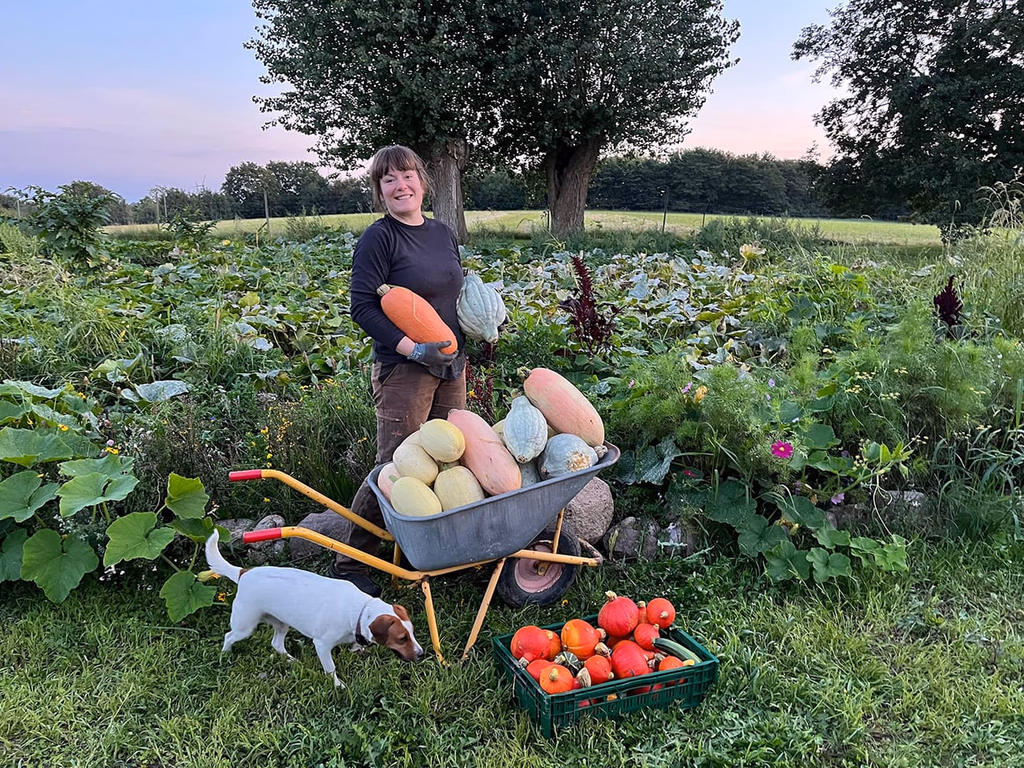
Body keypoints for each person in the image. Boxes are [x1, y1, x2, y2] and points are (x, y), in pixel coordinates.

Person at [329, 145, 467, 596]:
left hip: (451, 363)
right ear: (380, 191)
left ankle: (428, 550)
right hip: (404, 368)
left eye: (407, 176)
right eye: (389, 180)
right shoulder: (379, 237)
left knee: (449, 457)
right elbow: (363, 307)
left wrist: (472, 334)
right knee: (395, 465)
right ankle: (352, 561)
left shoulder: (442, 233)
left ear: (423, 183)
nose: (400, 185)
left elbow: (451, 298)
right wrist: (412, 348)